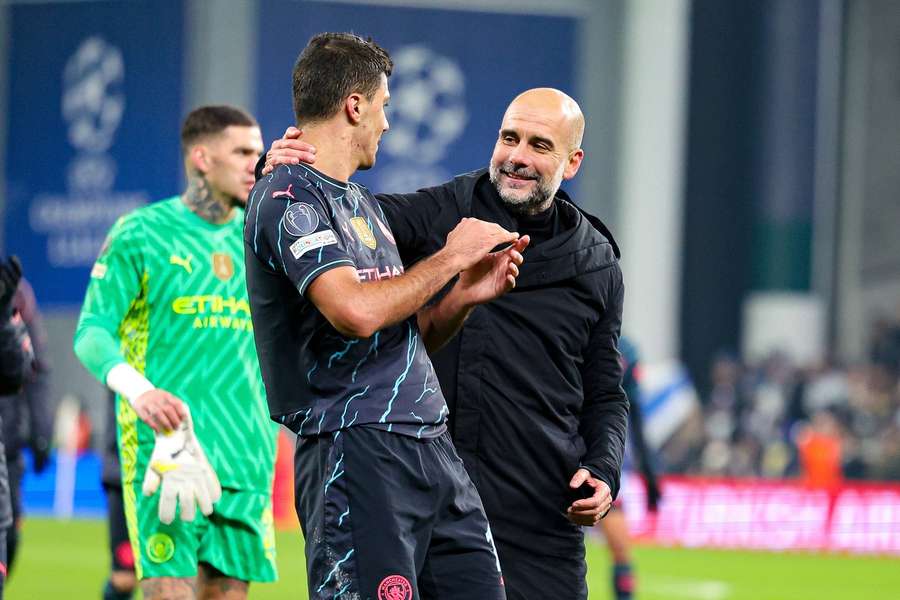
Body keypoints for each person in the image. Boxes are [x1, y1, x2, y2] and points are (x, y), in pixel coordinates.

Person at [263, 86, 629, 600]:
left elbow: (606, 393)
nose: (517, 157)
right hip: (431, 506)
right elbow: (328, 218)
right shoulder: (442, 212)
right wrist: (283, 170)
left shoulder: (595, 264)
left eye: (539, 146)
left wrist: (603, 470)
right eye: (509, 138)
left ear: (572, 162)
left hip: (542, 520)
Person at [245, 32, 528, 600]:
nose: (387, 124)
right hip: (355, 449)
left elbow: (403, 332)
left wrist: (462, 296)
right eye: (384, 107)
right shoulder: (286, 196)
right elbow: (354, 312)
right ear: (355, 105)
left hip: (430, 445)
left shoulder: (362, 204)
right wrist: (451, 256)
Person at [74, 106, 278, 600]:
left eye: (259, 151)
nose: (257, 162)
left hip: (246, 456)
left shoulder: (262, 240)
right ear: (202, 158)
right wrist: (138, 392)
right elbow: (92, 332)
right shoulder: (141, 233)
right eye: (243, 152)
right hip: (166, 452)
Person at [596, 336, 661, 600]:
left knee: (621, 548)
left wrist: (651, 479)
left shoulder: (627, 350)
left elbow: (636, 419)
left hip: (602, 463)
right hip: (562, 455)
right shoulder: (573, 331)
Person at [0, 277, 53, 578]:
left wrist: (41, 429)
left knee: (10, 536)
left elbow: (33, 368)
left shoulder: (15, 292)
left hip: (6, 444)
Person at [100, 390, 136, 600]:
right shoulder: (120, 363)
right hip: (125, 475)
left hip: (182, 474)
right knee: (124, 579)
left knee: (183, 578)